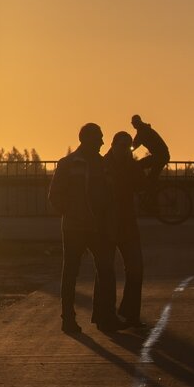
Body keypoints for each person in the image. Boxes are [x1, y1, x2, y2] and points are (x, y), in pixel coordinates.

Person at [47, 123, 121, 334]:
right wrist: (71, 213)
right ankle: (68, 319)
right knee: (71, 273)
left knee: (106, 271)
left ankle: (105, 317)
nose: (102, 143)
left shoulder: (103, 164)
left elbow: (110, 194)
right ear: (86, 139)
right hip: (75, 228)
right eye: (98, 138)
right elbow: (55, 195)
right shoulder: (69, 164)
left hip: (98, 227)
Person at [104, 131, 145, 327]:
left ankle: (130, 314)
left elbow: (142, 187)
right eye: (121, 146)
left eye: (127, 146)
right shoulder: (103, 166)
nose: (124, 150)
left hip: (127, 223)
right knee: (106, 271)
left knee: (136, 269)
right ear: (112, 145)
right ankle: (107, 315)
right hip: (108, 224)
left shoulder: (132, 166)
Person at [131, 114, 170, 211]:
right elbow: (134, 145)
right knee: (151, 180)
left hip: (160, 157)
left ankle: (152, 201)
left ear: (137, 123)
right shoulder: (143, 129)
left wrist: (125, 152)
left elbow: (134, 145)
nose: (133, 125)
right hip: (160, 156)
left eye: (134, 123)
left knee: (138, 166)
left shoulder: (143, 132)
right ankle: (151, 198)